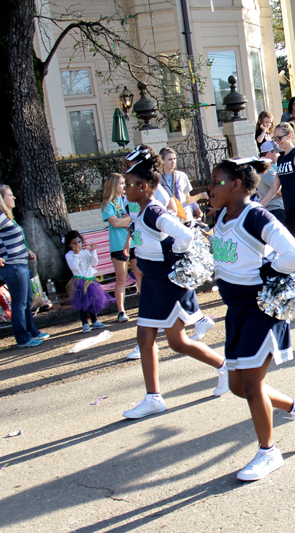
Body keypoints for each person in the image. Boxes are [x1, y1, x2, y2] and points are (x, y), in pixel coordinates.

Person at [207, 157, 295, 481]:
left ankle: (268, 453)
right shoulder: (223, 218)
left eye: (216, 181)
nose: (210, 187)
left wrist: (266, 272)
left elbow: (294, 255)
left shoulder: (256, 216)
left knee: (252, 385)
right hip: (236, 311)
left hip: (259, 310)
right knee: (237, 385)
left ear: (236, 184)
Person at [121, 146, 228, 419]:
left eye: (129, 183)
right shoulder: (140, 209)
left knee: (177, 342)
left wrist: (175, 260)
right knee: (145, 337)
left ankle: (225, 367)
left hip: (168, 283)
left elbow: (185, 235)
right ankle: (153, 397)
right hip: (153, 283)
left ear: (144, 187)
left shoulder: (153, 211)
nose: (125, 187)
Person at [0, 185, 49, 348]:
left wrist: (26, 251)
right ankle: (22, 338)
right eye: (10, 195)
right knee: (19, 303)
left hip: (20, 264)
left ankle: (32, 332)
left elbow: (8, 239)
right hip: (12, 267)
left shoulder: (6, 218)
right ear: (1, 199)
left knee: (26, 301)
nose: (14, 198)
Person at [258, 122, 295, 240]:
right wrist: (258, 206)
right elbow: (274, 188)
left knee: (287, 242)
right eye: (275, 138)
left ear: (289, 136)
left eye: (279, 138)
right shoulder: (281, 159)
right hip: (288, 207)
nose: (277, 141)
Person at [100, 173, 134, 322]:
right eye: (121, 183)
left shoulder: (128, 200)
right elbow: (115, 223)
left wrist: (126, 220)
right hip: (118, 245)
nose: (124, 186)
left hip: (134, 242)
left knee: (140, 274)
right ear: (113, 185)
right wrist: (130, 219)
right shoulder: (107, 204)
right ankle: (121, 311)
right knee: (121, 278)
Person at [64, 230, 111, 333]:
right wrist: (76, 254)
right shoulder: (69, 255)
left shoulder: (85, 252)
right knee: (82, 302)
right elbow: (73, 267)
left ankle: (95, 321)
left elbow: (94, 263)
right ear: (69, 244)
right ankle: (85, 323)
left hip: (90, 280)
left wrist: (93, 251)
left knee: (92, 301)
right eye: (74, 243)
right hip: (79, 281)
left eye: (79, 242)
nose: (77, 245)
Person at [158, 147, 207, 224]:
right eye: (170, 159)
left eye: (174, 158)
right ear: (162, 161)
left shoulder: (182, 175)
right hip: (168, 218)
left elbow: (187, 199)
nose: (173, 161)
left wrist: (199, 196)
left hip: (185, 217)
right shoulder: (158, 178)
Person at [256, 140, 286, 223]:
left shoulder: (261, 169)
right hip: (276, 211)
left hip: (271, 211)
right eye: (276, 152)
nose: (279, 154)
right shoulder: (267, 171)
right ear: (269, 153)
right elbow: (281, 191)